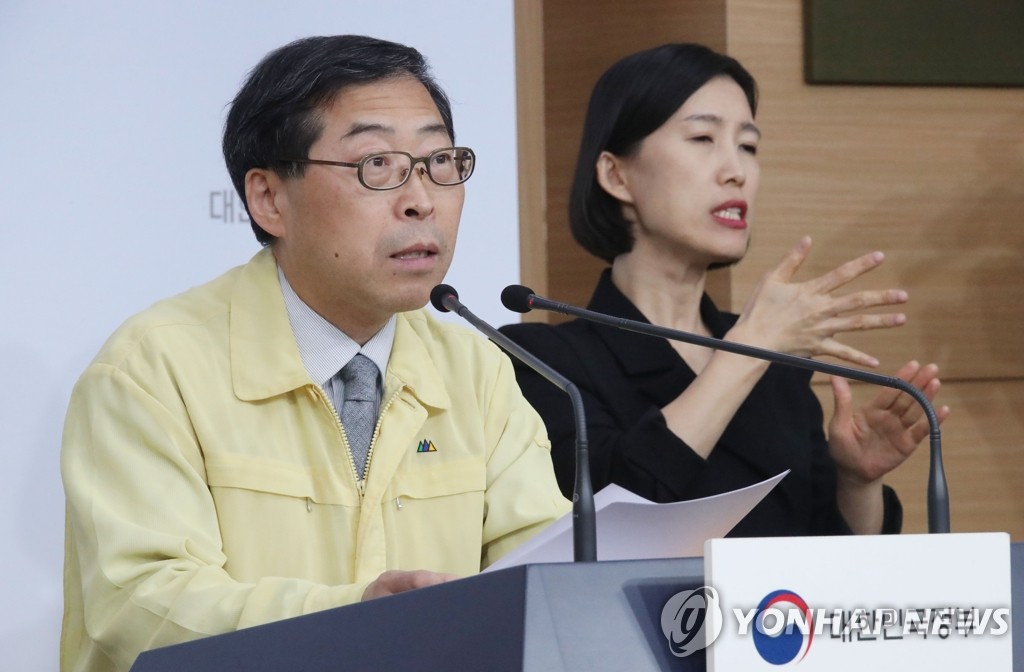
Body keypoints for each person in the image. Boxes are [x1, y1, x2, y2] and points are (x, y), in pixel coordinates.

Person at [60, 35, 569, 672]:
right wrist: (355, 617)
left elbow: (543, 572)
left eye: (439, 161)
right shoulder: (153, 369)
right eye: (376, 165)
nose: (421, 199)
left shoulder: (476, 370)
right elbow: (143, 608)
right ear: (269, 199)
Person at [499, 43, 949, 538]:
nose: (736, 170)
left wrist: (857, 481)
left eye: (748, 146)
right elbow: (611, 521)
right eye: (703, 138)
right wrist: (753, 345)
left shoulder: (774, 363)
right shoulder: (541, 360)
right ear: (616, 174)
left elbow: (833, 562)